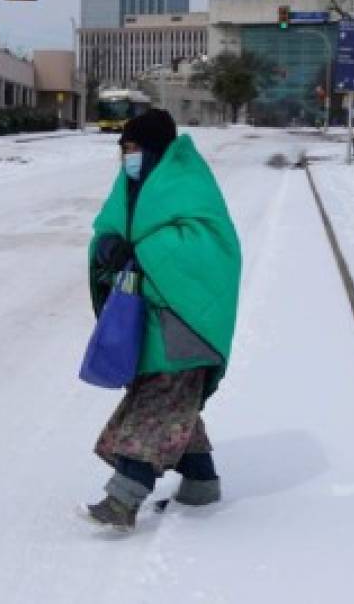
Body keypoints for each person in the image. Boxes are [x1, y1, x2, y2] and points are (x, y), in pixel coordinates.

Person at [83, 109, 242, 532]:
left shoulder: (189, 186)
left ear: (154, 150)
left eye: (133, 149)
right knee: (174, 404)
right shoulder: (134, 187)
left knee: (157, 406)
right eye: (122, 150)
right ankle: (201, 483)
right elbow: (110, 230)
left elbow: (204, 249)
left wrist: (138, 254)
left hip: (184, 324)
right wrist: (108, 248)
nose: (126, 158)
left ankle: (123, 499)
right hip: (150, 320)